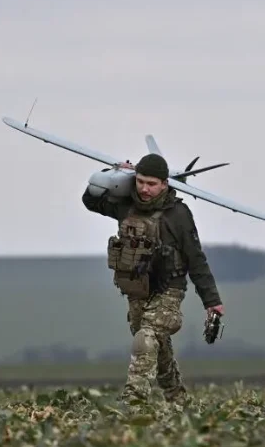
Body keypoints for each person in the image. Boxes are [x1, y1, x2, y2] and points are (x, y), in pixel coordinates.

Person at [82, 152, 224, 405]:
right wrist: (113, 174)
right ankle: (177, 398)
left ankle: (133, 400)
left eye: (151, 184)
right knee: (156, 344)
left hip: (170, 289)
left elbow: (196, 258)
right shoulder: (126, 205)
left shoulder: (178, 214)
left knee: (146, 339)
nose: (144, 189)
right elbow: (91, 201)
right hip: (138, 289)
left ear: (164, 184)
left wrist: (211, 301)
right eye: (140, 182)